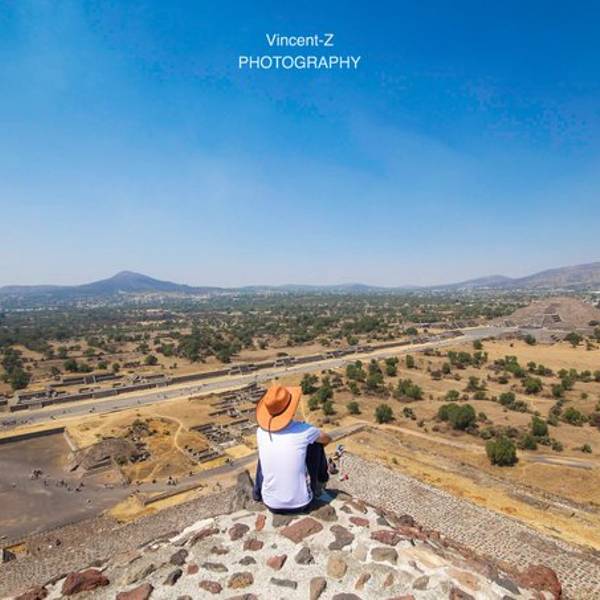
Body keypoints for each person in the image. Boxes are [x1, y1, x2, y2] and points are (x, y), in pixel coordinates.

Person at [253, 384, 331, 513]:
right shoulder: (304, 431)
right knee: (316, 444)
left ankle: (257, 493)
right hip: (302, 504)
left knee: (267, 453)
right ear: (291, 409)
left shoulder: (260, 432)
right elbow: (327, 439)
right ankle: (321, 481)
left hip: (270, 503)